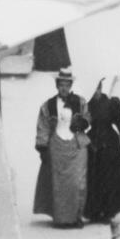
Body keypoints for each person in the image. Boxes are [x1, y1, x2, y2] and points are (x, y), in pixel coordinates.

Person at [32, 71, 90, 227]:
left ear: (71, 85)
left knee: (78, 183)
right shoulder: (48, 105)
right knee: (59, 185)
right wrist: (43, 147)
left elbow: (88, 116)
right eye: (61, 85)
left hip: (76, 146)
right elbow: (43, 126)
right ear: (57, 86)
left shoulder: (80, 102)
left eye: (67, 85)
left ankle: (77, 216)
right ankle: (61, 219)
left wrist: (83, 123)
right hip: (57, 147)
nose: (64, 88)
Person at [83, 77, 120, 224]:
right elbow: (81, 126)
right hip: (93, 144)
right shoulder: (86, 105)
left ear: (101, 88)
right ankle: (95, 211)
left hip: (110, 143)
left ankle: (108, 211)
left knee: (109, 178)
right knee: (94, 178)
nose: (96, 92)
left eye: (98, 89)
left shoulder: (111, 104)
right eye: (93, 90)